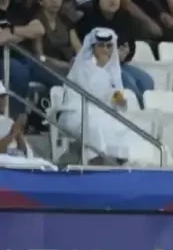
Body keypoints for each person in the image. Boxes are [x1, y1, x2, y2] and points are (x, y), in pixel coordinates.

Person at [56, 28, 140, 164]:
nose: (105, 49)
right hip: (77, 112)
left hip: (104, 112)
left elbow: (116, 95)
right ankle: (94, 165)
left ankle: (120, 166)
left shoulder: (113, 68)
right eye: (100, 46)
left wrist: (120, 101)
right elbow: (91, 92)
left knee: (124, 126)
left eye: (109, 46)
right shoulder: (82, 65)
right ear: (93, 47)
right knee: (97, 126)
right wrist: (101, 67)